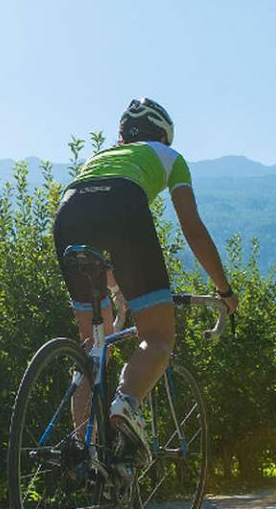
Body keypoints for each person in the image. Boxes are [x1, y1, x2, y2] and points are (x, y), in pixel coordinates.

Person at [53, 98, 237, 469]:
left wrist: (116, 283)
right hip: (123, 208)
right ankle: (127, 402)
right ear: (163, 135)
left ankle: (83, 454)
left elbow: (95, 220)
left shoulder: (101, 158)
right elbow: (192, 228)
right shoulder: (169, 157)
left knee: (91, 348)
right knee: (158, 337)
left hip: (68, 210)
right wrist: (224, 290)